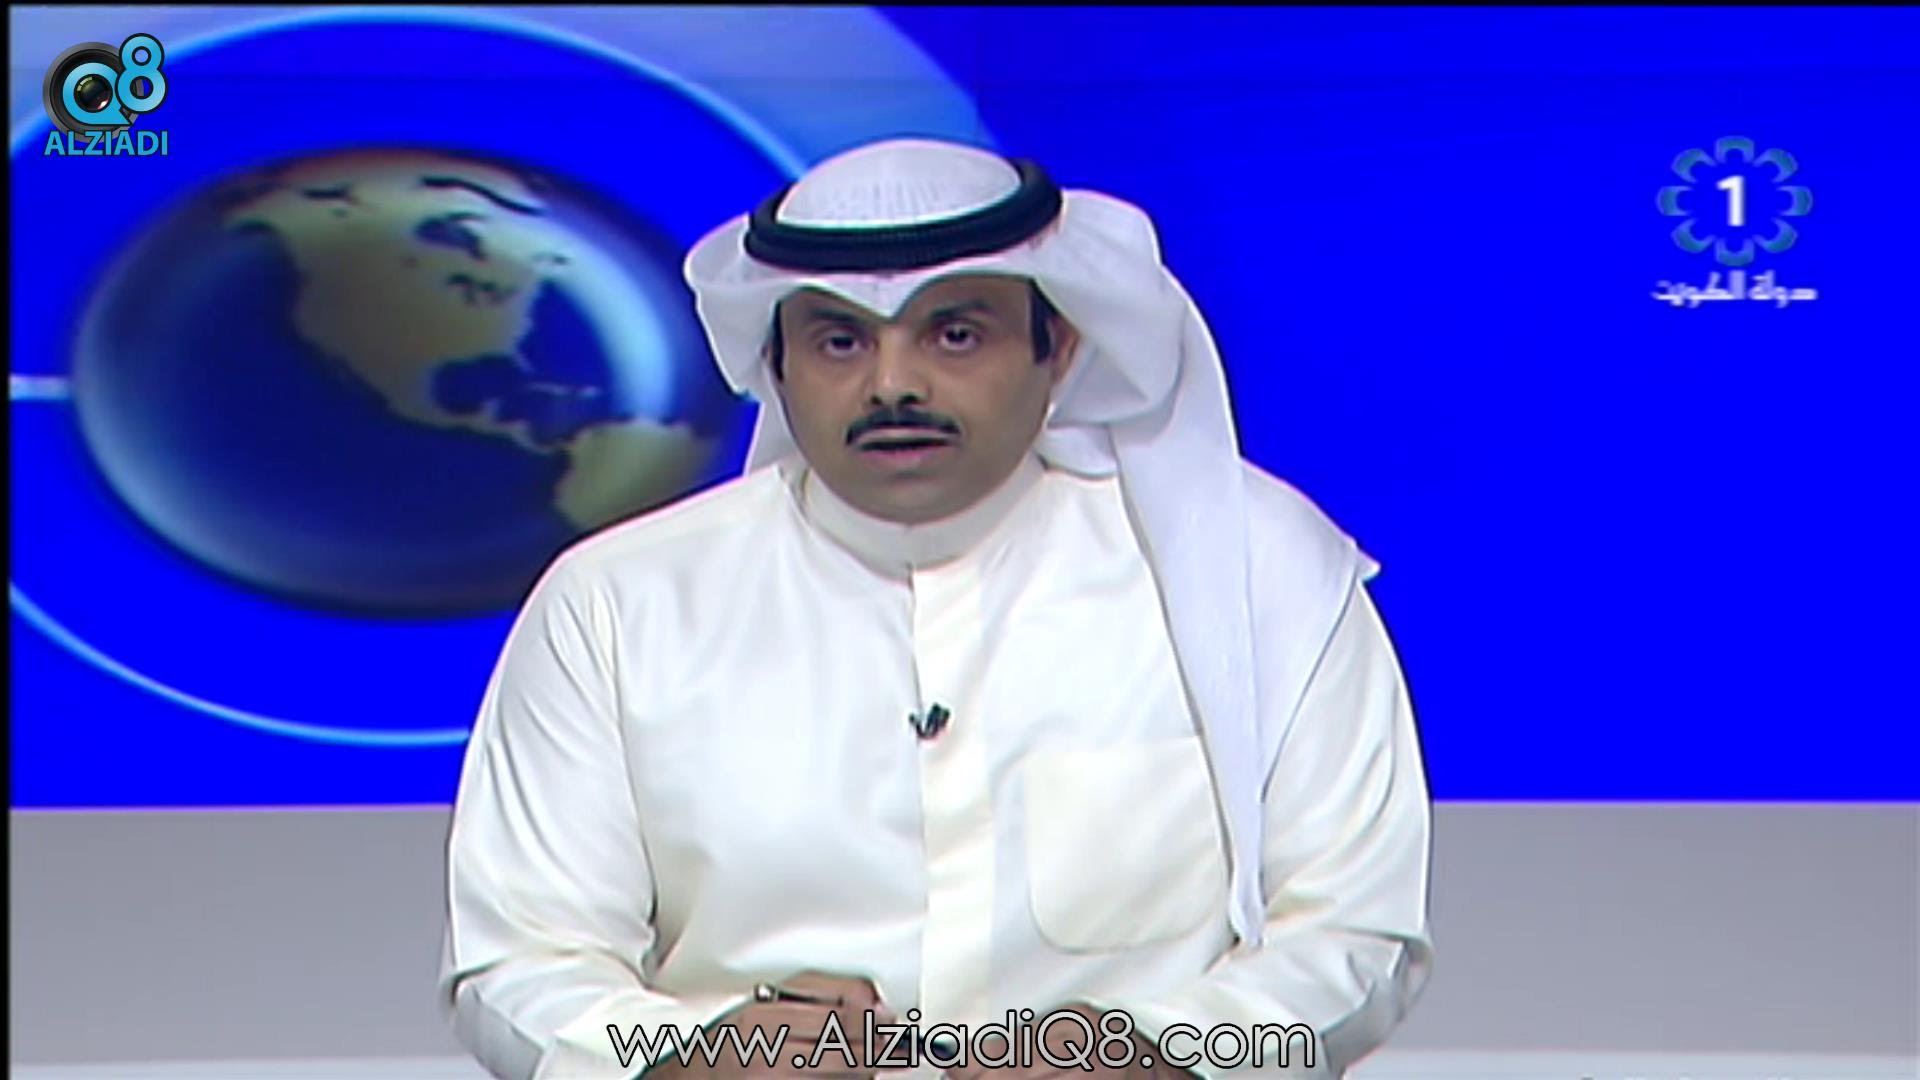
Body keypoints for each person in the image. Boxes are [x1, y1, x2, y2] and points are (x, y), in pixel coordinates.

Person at [438, 138, 1434, 1079]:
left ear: (1058, 348)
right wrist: (692, 1058)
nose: (894, 385)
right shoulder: (618, 605)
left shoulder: (1255, 573)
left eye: (956, 334)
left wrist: (1165, 1053)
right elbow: (522, 961)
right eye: (839, 341)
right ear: (778, 366)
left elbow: (1354, 935)